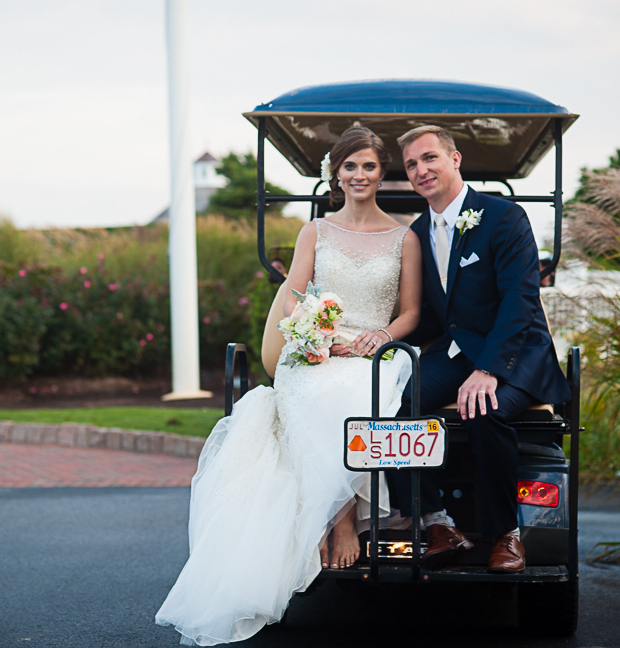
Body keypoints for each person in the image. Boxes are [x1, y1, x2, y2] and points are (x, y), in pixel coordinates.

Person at [156, 127, 423, 645]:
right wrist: (316, 338)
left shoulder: (403, 237)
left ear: (381, 171)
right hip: (318, 347)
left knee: (353, 394)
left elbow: (411, 311)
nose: (360, 176)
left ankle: (343, 517)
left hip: (373, 350)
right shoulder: (315, 232)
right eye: (350, 167)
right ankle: (338, 518)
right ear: (336, 174)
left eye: (368, 166)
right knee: (310, 389)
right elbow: (297, 295)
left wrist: (378, 337)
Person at [389, 125, 570, 574]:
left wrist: (489, 368)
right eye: (412, 164)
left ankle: (506, 535)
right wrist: (373, 337)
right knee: (391, 406)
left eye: (429, 158)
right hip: (456, 353)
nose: (421, 170)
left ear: (455, 159)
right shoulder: (417, 231)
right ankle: (437, 523)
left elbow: (520, 302)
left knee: (484, 408)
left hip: (516, 353)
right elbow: (433, 317)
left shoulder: (504, 216)